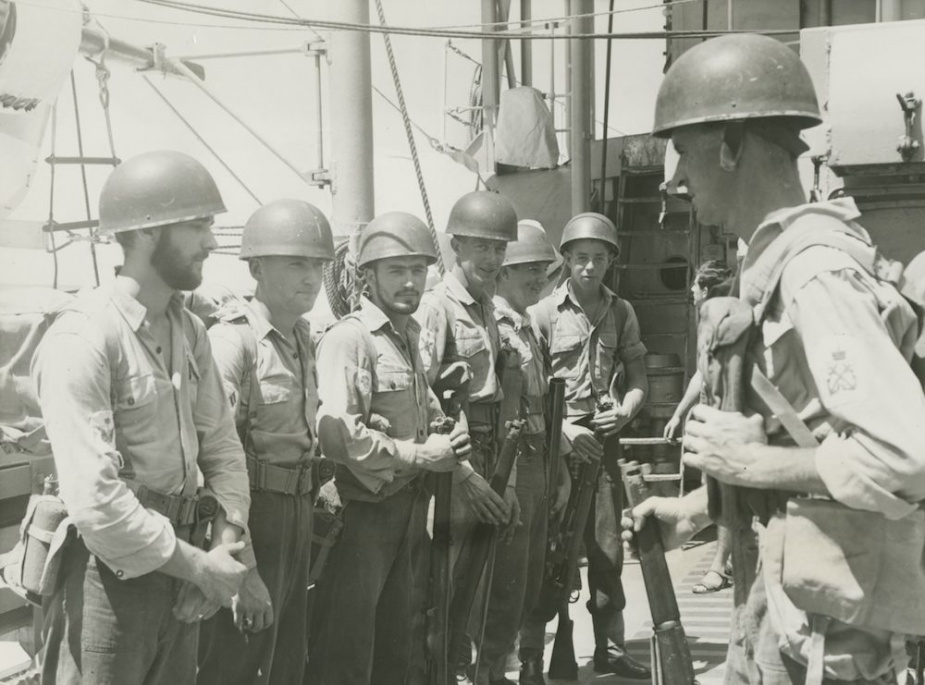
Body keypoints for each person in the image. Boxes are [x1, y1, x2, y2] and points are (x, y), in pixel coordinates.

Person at [624, 33, 925, 683]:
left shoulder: (814, 276)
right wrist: (695, 510)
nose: (674, 179)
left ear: (731, 146)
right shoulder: (774, 269)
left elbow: (905, 455)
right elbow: (814, 434)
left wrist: (752, 460)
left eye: (684, 152)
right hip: (791, 610)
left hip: (842, 642)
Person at [33, 150, 251, 684]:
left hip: (184, 564)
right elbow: (95, 501)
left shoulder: (191, 330)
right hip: (106, 575)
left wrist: (221, 544)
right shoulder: (84, 337)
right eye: (199, 225)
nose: (211, 242)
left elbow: (221, 445)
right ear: (150, 232)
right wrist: (201, 568)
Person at [309, 211, 471, 685]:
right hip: (361, 516)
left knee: (399, 646)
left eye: (417, 270)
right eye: (395, 270)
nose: (409, 282)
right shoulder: (351, 339)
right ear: (367, 276)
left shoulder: (408, 335)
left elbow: (413, 418)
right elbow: (337, 435)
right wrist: (422, 455)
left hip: (406, 510)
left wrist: (445, 429)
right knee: (347, 650)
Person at [197, 199, 333, 684]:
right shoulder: (234, 342)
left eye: (317, 264)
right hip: (252, 516)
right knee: (238, 658)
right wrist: (243, 561)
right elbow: (213, 462)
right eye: (297, 262)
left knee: (285, 656)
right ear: (256, 268)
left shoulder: (301, 338)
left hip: (297, 511)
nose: (311, 277)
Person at [520, 212, 651, 681]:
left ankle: (610, 651)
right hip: (555, 446)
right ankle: (533, 656)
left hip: (604, 446)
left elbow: (638, 378)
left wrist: (627, 408)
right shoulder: (540, 315)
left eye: (599, 259)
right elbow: (529, 392)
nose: (589, 268)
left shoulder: (622, 312)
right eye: (580, 259)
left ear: (611, 261)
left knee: (607, 550)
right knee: (546, 555)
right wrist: (562, 433)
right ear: (566, 261)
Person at [414, 190, 518, 673]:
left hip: (491, 447)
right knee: (446, 580)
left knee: (478, 579)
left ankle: (463, 669)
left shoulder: (486, 307)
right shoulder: (438, 306)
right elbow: (427, 396)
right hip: (458, 459)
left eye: (499, 249)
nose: (492, 259)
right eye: (482, 247)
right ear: (457, 246)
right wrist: (464, 473)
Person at [471, 220, 572, 685]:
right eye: (528, 269)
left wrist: (560, 470)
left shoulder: (530, 325)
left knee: (529, 580)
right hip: (506, 464)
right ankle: (487, 670)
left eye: (543, 271)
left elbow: (544, 407)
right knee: (502, 581)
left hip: (537, 459)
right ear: (503, 274)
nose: (539, 279)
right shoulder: (492, 324)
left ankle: (498, 668)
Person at [662, 259, 734, 595]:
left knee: (723, 494)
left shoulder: (725, 320)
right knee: (716, 492)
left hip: (725, 420)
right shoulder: (707, 320)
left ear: (704, 289)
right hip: (711, 417)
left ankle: (719, 567)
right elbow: (701, 373)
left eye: (694, 285)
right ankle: (727, 561)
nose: (690, 290)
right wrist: (680, 413)